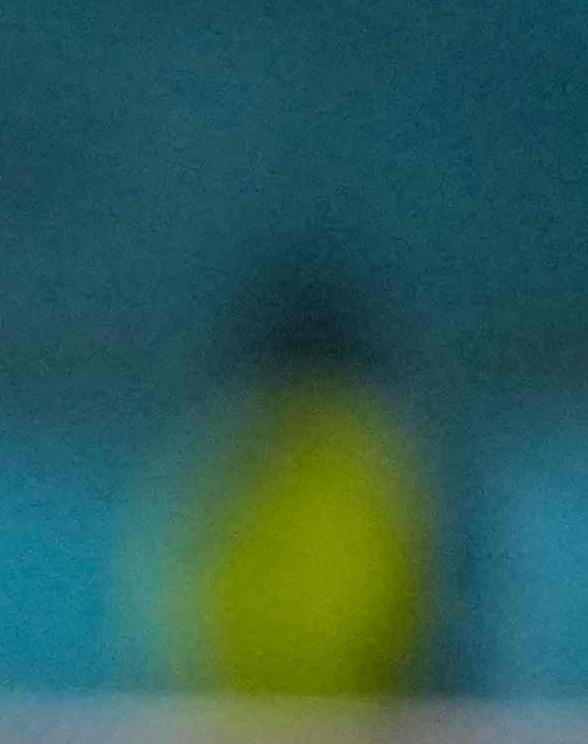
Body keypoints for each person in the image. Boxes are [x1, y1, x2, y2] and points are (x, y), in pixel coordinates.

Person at [147, 257, 439, 711]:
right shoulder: (381, 449)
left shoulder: (232, 443)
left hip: (262, 725)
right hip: (338, 726)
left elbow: (179, 583)